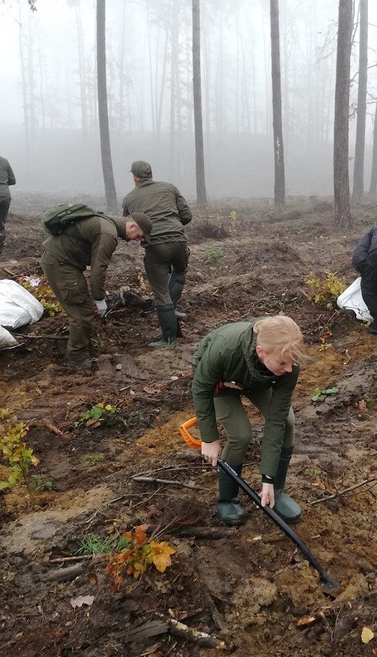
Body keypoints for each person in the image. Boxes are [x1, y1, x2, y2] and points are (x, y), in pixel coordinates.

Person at [191, 316, 307, 526]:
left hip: (259, 381)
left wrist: (268, 479)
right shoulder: (224, 349)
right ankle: (227, 499)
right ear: (261, 351)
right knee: (241, 434)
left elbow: (277, 418)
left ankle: (276, 492)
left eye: (292, 362)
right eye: (283, 362)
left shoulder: (289, 364)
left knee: (288, 421)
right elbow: (201, 388)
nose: (289, 368)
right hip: (221, 382)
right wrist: (209, 438)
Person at [40, 212, 152, 368]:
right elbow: (98, 269)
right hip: (60, 264)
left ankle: (85, 351)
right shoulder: (108, 234)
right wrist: (99, 299)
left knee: (84, 308)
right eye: (139, 235)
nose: (138, 239)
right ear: (132, 226)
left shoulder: (108, 224)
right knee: (81, 313)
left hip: (63, 262)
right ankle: (76, 359)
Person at [122, 160, 193, 348]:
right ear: (150, 174)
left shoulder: (129, 198)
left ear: (134, 177)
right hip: (179, 240)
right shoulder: (170, 188)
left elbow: (128, 225)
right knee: (179, 272)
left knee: (161, 293)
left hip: (155, 246)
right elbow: (186, 216)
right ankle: (174, 310)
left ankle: (168, 339)